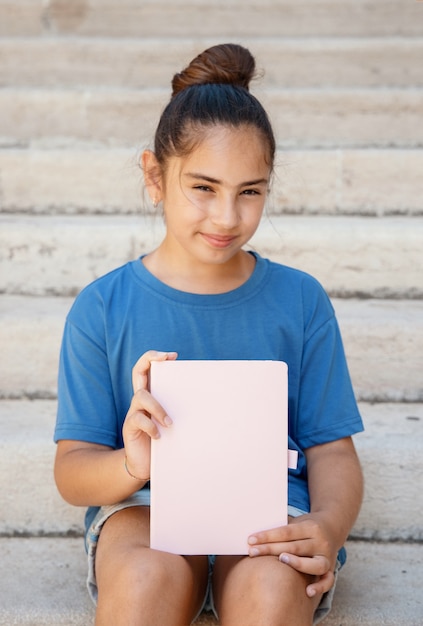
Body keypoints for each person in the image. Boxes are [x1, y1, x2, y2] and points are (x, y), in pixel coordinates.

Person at [54, 43, 364, 626]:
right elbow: (73, 469)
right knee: (145, 576)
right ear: (154, 176)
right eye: (204, 187)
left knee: (271, 590)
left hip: (275, 502)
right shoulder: (102, 306)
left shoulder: (300, 300)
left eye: (250, 191)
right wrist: (134, 464)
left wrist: (326, 525)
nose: (227, 217)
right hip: (146, 505)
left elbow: (333, 449)